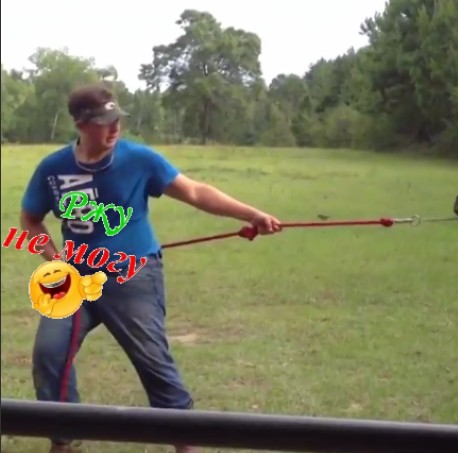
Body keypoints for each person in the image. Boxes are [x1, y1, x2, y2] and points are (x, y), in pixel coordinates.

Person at [19, 82, 283, 453]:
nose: (115, 128)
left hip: (133, 275)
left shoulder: (139, 159)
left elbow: (195, 191)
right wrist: (56, 259)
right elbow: (30, 219)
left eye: (118, 119)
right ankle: (63, 438)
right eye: (105, 122)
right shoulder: (53, 168)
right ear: (80, 124)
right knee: (49, 353)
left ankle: (186, 444)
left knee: (152, 361)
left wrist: (251, 214)